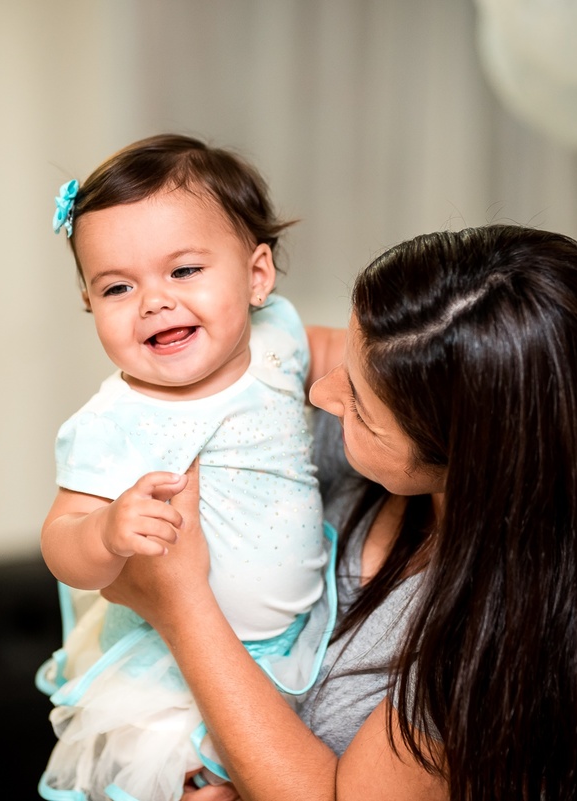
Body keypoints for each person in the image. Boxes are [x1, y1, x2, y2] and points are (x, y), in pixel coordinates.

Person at [104, 224, 577, 801]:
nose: (322, 395)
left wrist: (181, 605)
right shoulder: (366, 454)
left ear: (473, 463)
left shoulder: (506, 649)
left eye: (361, 408)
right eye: (348, 361)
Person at [35, 134, 347, 801]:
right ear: (92, 304)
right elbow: (61, 542)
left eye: (183, 271)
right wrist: (107, 530)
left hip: (293, 635)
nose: (153, 300)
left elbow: (349, 356)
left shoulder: (281, 336)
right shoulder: (112, 421)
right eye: (118, 286)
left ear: (257, 276)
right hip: (168, 672)